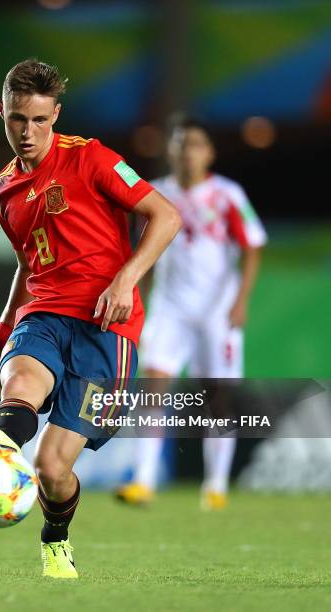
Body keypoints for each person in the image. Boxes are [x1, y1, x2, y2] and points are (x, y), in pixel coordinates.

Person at [0, 59, 181, 578]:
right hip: (44, 311)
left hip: (108, 327)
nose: (29, 133)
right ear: (2, 111)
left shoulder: (90, 158)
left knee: (52, 469)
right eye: (19, 119)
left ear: (56, 115)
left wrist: (126, 277)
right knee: (20, 382)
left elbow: (166, 214)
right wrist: (3, 329)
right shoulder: (2, 190)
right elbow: (27, 264)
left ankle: (54, 536)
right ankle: (3, 435)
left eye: (41, 120)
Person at [116, 117, 267, 509]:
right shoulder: (155, 194)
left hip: (217, 308)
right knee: (154, 384)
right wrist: (139, 298)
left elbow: (252, 246)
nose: (187, 151)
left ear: (209, 153)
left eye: (196, 144)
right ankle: (144, 480)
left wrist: (241, 300)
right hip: (170, 306)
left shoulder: (227, 194)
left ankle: (215, 484)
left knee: (215, 396)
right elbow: (143, 253)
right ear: (170, 151)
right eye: (181, 144)